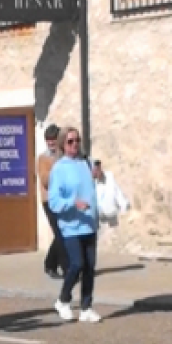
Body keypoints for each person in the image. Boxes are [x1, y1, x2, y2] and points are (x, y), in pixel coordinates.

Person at [48, 127, 103, 323]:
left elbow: (91, 187)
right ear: (63, 144)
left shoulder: (85, 163)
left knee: (90, 267)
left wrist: (96, 174)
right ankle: (63, 300)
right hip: (70, 225)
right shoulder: (59, 168)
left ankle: (86, 307)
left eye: (77, 140)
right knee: (77, 264)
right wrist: (73, 202)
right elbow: (53, 201)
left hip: (89, 223)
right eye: (70, 141)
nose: (75, 144)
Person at [37, 125, 69, 279]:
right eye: (48, 140)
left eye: (53, 140)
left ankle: (50, 264)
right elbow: (45, 180)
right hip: (49, 200)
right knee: (60, 232)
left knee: (63, 232)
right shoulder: (43, 158)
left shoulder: (65, 156)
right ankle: (66, 268)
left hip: (64, 199)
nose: (51, 143)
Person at [93, 160, 131, 226]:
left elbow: (117, 192)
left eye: (97, 170)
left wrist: (124, 206)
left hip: (113, 214)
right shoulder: (92, 183)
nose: (95, 172)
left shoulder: (109, 176)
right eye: (94, 171)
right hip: (100, 217)